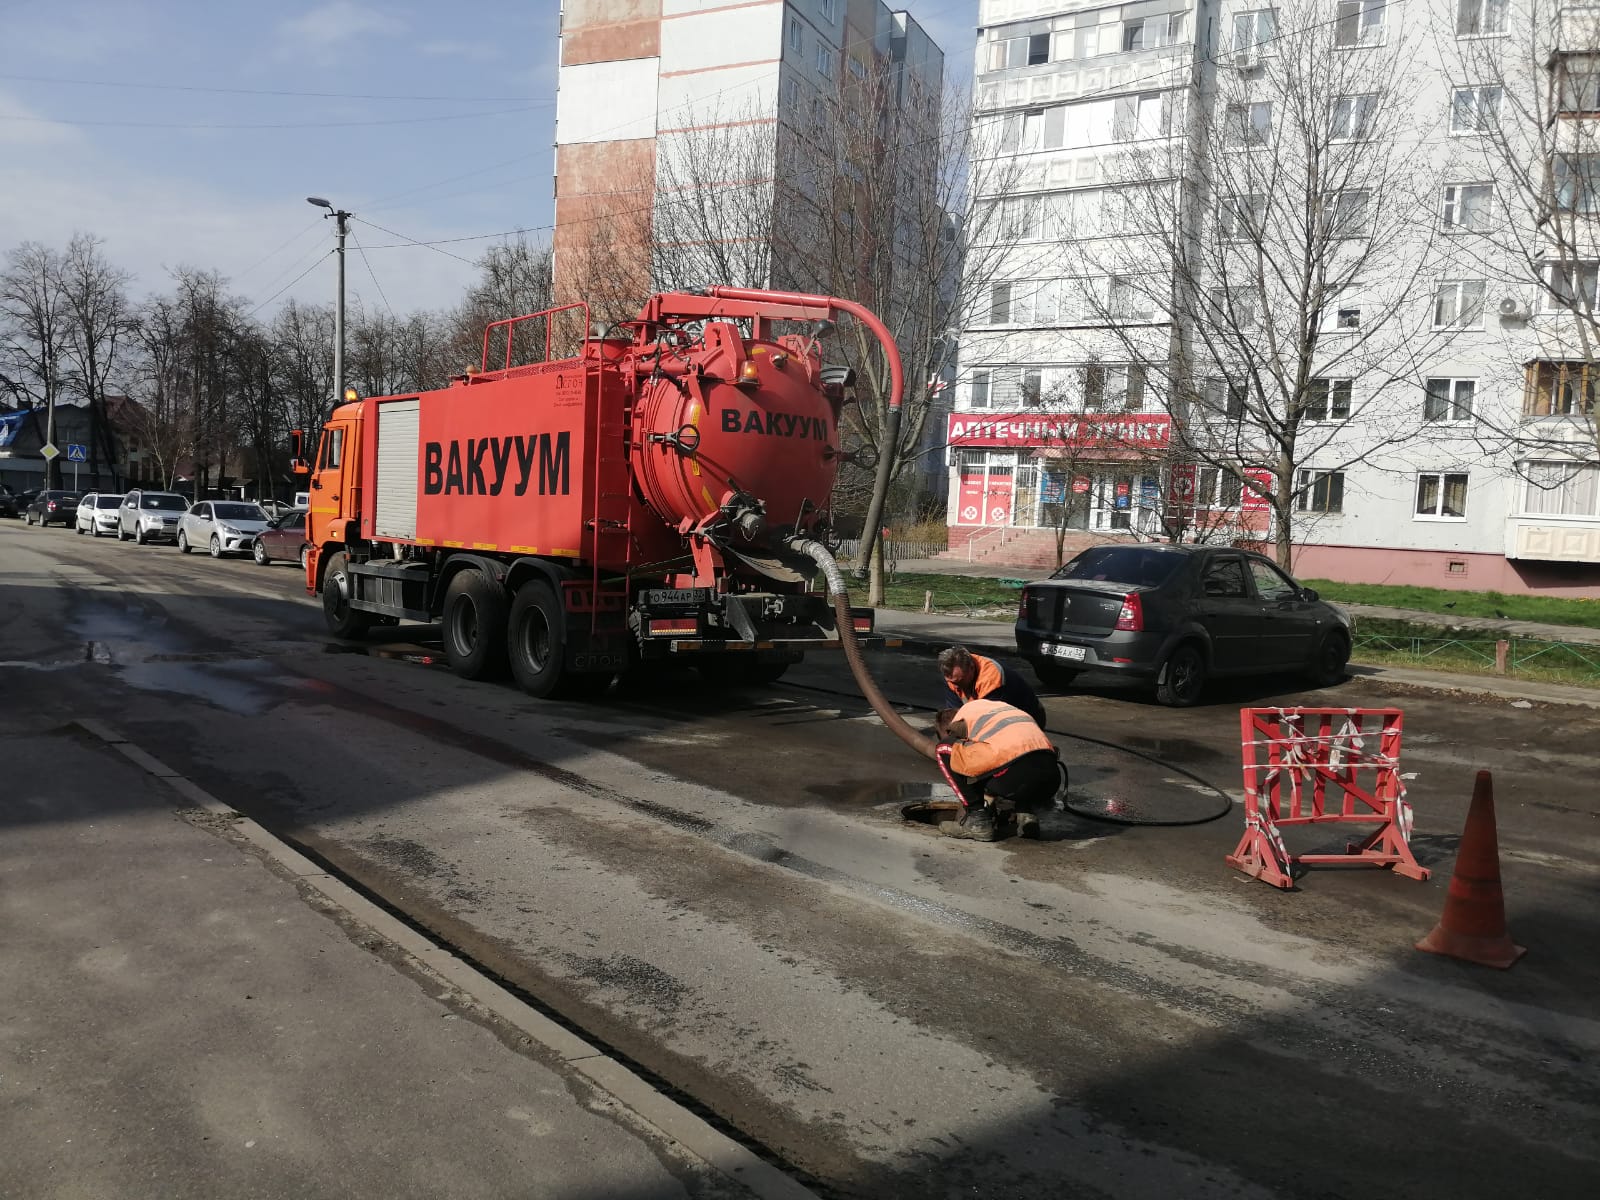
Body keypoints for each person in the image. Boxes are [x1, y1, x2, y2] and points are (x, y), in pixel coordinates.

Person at [934, 699, 1063, 842]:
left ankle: (977, 820)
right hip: (1051, 781)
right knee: (1019, 762)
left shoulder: (962, 718)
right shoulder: (998, 710)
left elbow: (973, 762)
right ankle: (1026, 814)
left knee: (944, 748)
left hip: (1017, 779)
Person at [938, 645, 1047, 729]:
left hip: (1028, 718)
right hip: (994, 716)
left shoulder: (992, 679)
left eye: (960, 681)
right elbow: (956, 716)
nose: (955, 685)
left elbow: (989, 724)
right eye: (951, 681)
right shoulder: (951, 677)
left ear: (971, 667)